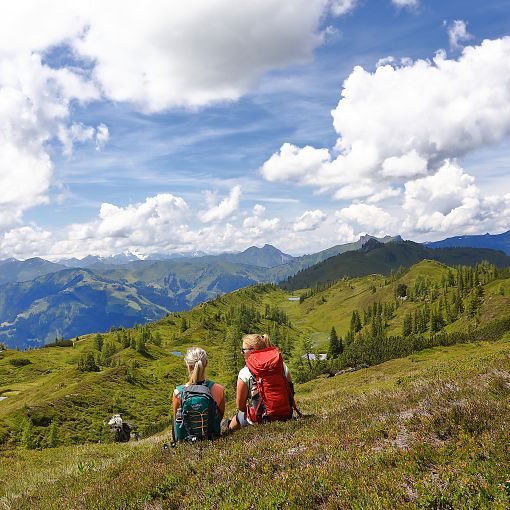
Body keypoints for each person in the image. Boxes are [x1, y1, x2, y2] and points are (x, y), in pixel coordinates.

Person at [228, 333, 295, 430]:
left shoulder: (244, 373)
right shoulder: (281, 366)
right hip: (286, 414)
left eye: (243, 350)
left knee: (239, 416)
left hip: (261, 419)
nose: (241, 353)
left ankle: (228, 431)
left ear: (253, 351)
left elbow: (240, 406)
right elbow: (291, 392)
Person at [172, 347, 225, 441]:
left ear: (188, 366)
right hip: (213, 441)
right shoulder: (219, 389)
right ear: (206, 364)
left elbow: (177, 421)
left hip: (187, 444)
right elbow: (219, 417)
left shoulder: (178, 393)